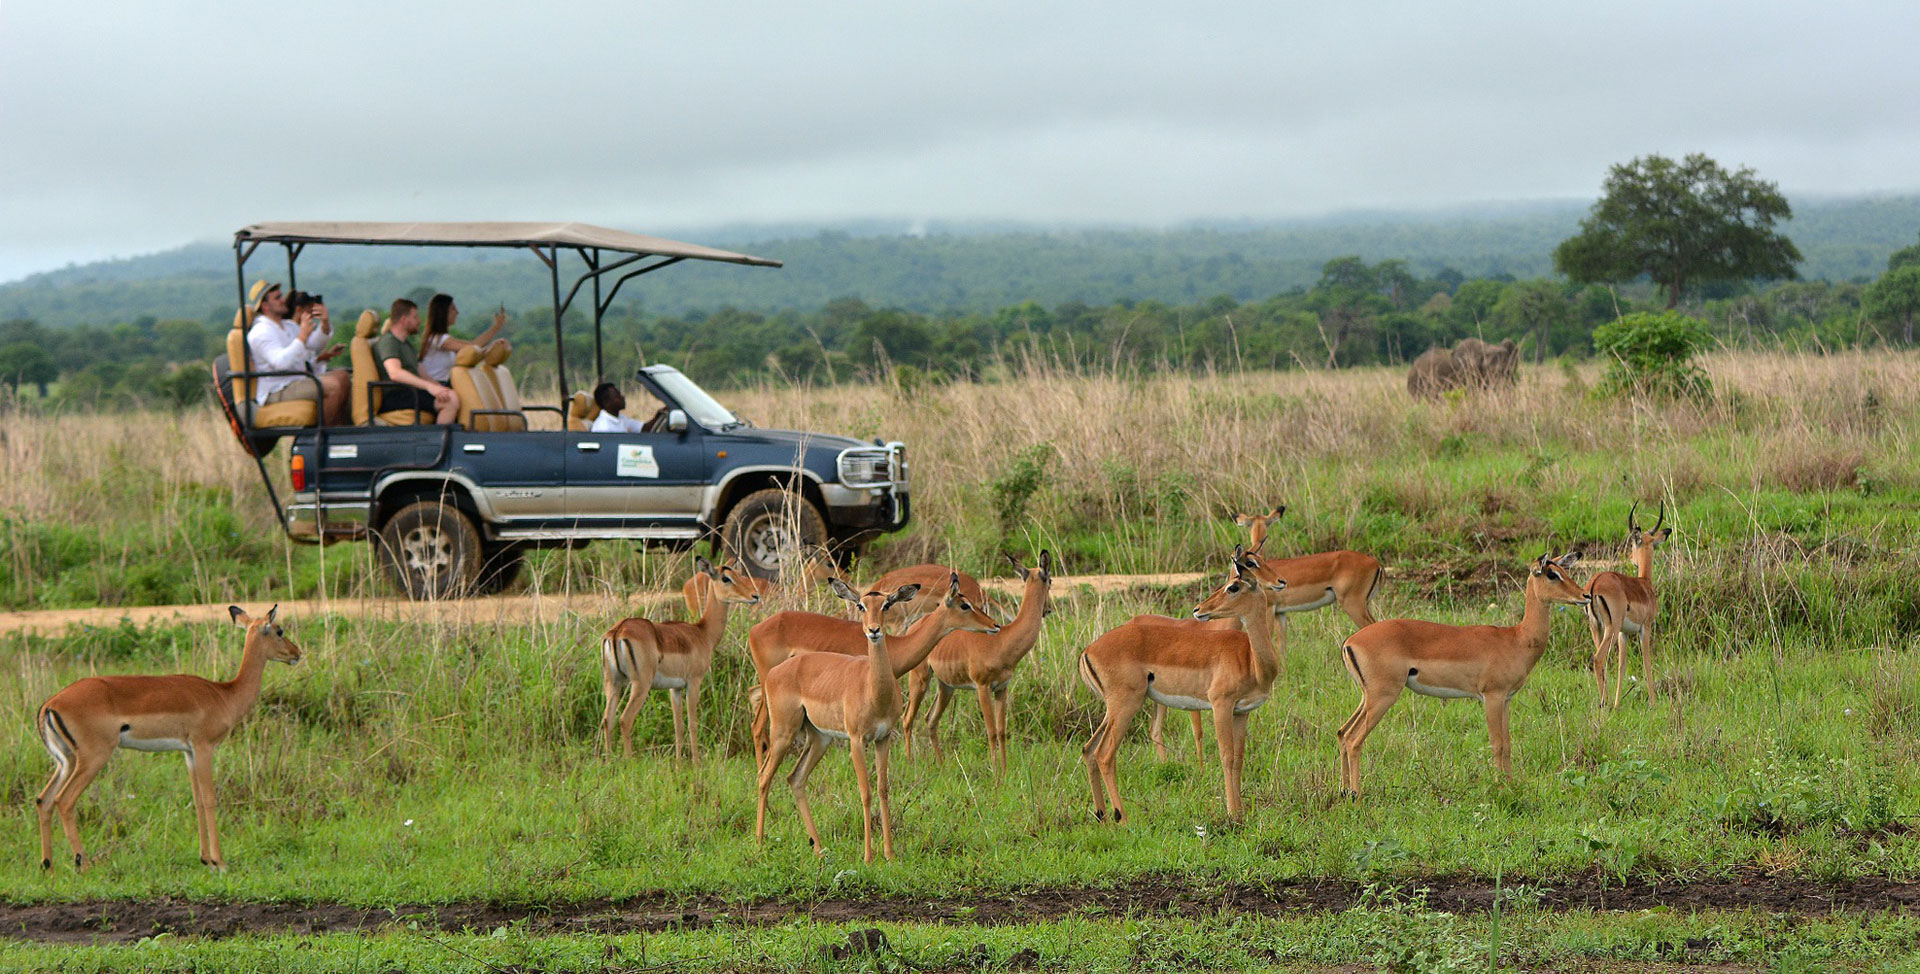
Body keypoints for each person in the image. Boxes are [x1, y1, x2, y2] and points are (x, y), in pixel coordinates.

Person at [245, 281, 349, 425]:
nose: (283, 300)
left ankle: (342, 427)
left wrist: (324, 323)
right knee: (334, 386)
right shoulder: (260, 332)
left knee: (343, 376)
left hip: (295, 380)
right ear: (265, 306)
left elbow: (315, 344)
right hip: (277, 388)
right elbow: (280, 362)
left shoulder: (287, 326)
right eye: (277, 298)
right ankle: (325, 433)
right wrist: (302, 337)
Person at [374, 299, 459, 425]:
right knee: (450, 401)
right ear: (404, 320)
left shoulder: (406, 344)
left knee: (451, 395)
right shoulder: (389, 341)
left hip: (410, 393)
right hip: (397, 396)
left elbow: (423, 374)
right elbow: (395, 373)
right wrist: (429, 387)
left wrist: (440, 389)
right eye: (415, 317)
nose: (419, 321)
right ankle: (439, 437)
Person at [418, 294, 508, 384]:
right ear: (443, 312)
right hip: (435, 387)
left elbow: (471, 352)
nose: (457, 312)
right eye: (453, 309)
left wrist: (491, 347)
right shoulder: (438, 339)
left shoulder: (443, 339)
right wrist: (496, 327)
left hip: (445, 384)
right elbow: (472, 347)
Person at [588, 381, 663, 433]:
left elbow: (644, 428)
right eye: (617, 396)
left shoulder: (621, 418)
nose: (622, 397)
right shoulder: (603, 427)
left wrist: (659, 416)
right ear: (607, 403)